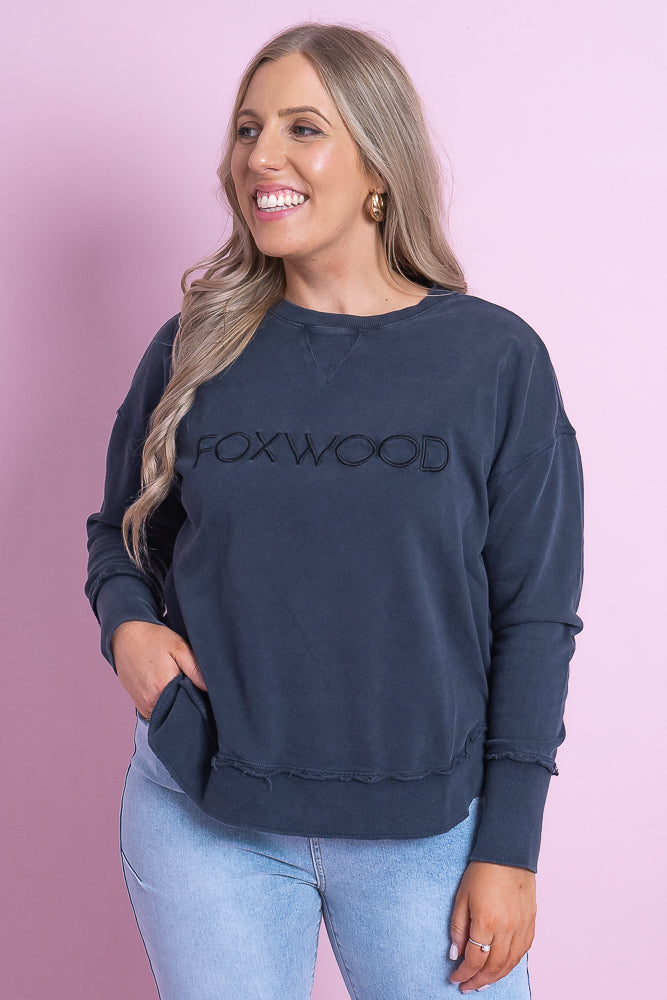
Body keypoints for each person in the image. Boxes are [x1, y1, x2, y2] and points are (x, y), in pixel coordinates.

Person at [84, 21, 584, 1000]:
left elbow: (534, 615)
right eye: (247, 128)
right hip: (204, 816)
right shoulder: (194, 347)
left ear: (378, 170)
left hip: (426, 832)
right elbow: (122, 536)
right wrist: (128, 629)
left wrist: (509, 846)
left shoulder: (492, 360)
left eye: (302, 128)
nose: (259, 156)